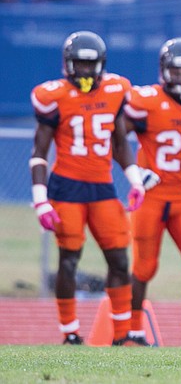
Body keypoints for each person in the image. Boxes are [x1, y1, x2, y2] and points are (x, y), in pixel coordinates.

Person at [29, 31, 145, 345]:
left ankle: (121, 335)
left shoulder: (115, 90)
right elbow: (39, 153)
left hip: (102, 187)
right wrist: (41, 200)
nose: (84, 71)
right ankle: (70, 332)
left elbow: (120, 143)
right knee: (69, 259)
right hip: (66, 187)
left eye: (89, 64)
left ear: (101, 65)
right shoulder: (53, 95)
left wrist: (135, 180)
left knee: (120, 260)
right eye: (79, 64)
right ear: (68, 65)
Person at [123, 37, 181, 347]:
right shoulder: (145, 100)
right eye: (175, 71)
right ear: (164, 71)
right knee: (143, 267)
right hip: (152, 196)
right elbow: (117, 136)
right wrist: (135, 172)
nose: (180, 77)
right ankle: (133, 332)